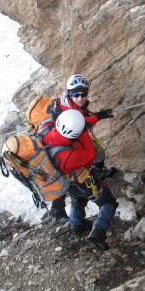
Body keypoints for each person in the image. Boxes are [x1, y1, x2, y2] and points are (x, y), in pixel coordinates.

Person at [43, 109, 117, 250]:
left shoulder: (49, 134)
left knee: (78, 200)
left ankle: (77, 225)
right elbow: (90, 154)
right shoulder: (71, 155)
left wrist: (96, 117)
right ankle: (98, 231)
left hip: (66, 181)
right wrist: (84, 133)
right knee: (108, 203)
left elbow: (75, 127)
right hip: (81, 180)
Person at [49, 74, 115, 223]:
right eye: (76, 94)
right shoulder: (68, 110)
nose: (80, 98)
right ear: (69, 93)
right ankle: (63, 214)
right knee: (74, 186)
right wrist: (97, 116)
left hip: (61, 150)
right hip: (66, 154)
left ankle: (75, 222)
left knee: (72, 188)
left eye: (83, 94)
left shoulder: (65, 103)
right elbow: (80, 125)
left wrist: (94, 116)